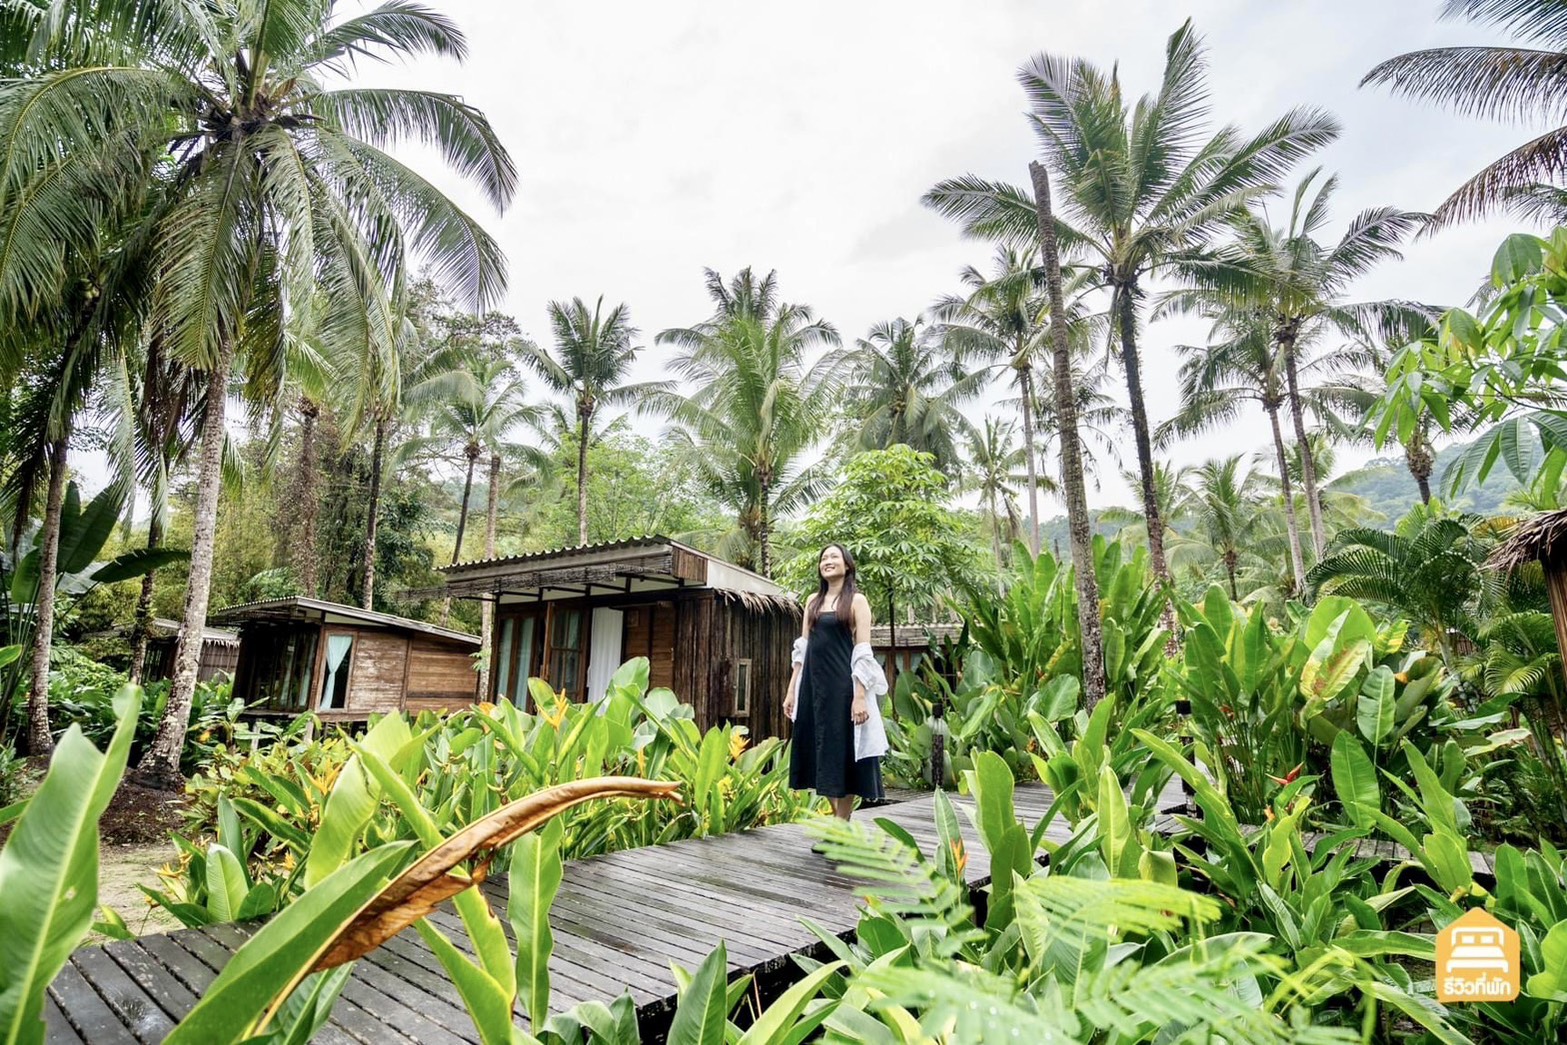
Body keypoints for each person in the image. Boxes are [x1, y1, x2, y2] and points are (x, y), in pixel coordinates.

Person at [783, 543, 887, 821]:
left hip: (843, 686)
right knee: (817, 751)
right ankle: (841, 822)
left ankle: (841, 826)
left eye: (834, 557)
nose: (828, 561)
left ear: (847, 565)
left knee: (842, 751)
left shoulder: (857, 601)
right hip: (813, 688)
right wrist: (792, 688)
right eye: (824, 558)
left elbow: (863, 649)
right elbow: (802, 649)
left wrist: (860, 694)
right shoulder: (812, 601)